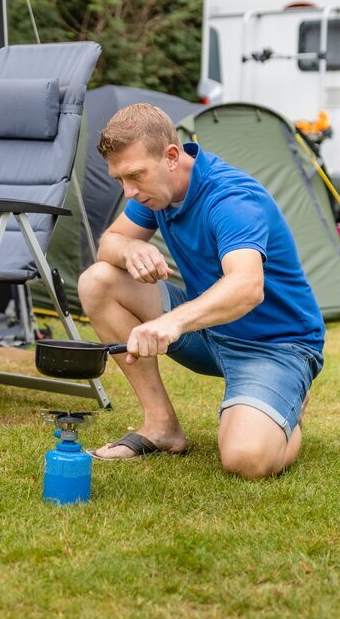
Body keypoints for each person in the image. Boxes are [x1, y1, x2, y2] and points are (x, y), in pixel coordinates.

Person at [76, 103, 325, 478]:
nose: (129, 191)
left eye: (135, 176)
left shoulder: (231, 199)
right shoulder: (157, 191)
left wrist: (173, 321)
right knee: (97, 281)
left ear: (172, 157)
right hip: (209, 333)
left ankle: (288, 407)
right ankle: (161, 427)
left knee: (246, 461)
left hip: (276, 347)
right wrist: (131, 248)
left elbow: (247, 287)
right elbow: (108, 245)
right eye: (119, 180)